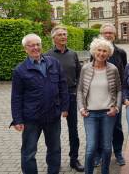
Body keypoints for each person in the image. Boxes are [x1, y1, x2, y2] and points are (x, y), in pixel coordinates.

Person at [11, 33, 69, 174]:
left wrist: (65, 107)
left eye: (38, 44)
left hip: (53, 115)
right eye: (32, 45)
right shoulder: (20, 70)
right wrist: (17, 119)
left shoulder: (53, 63)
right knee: (29, 152)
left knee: (55, 149)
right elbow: (16, 97)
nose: (36, 48)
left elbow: (63, 86)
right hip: (32, 118)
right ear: (25, 49)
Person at [77, 37, 122, 174]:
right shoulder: (85, 68)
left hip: (108, 113)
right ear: (93, 51)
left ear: (108, 54)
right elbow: (79, 90)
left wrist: (117, 107)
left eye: (105, 51)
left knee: (107, 147)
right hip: (90, 114)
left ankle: (105, 172)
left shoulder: (113, 69)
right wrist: (81, 108)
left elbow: (119, 90)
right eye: (99, 50)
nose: (101, 53)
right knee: (91, 148)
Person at [46, 25, 84, 172]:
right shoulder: (47, 55)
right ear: (54, 38)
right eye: (60, 34)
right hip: (54, 98)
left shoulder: (73, 54)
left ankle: (74, 160)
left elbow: (79, 75)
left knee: (73, 130)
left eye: (65, 34)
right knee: (53, 132)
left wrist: (77, 91)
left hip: (71, 96)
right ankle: (54, 162)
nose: (63, 37)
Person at [93, 22, 127, 166]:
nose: (108, 35)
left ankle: (118, 152)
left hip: (115, 96)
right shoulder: (95, 52)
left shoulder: (121, 53)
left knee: (117, 126)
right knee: (100, 126)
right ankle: (99, 154)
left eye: (110, 33)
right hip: (98, 96)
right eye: (105, 32)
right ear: (101, 34)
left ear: (114, 35)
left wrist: (123, 97)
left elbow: (124, 75)